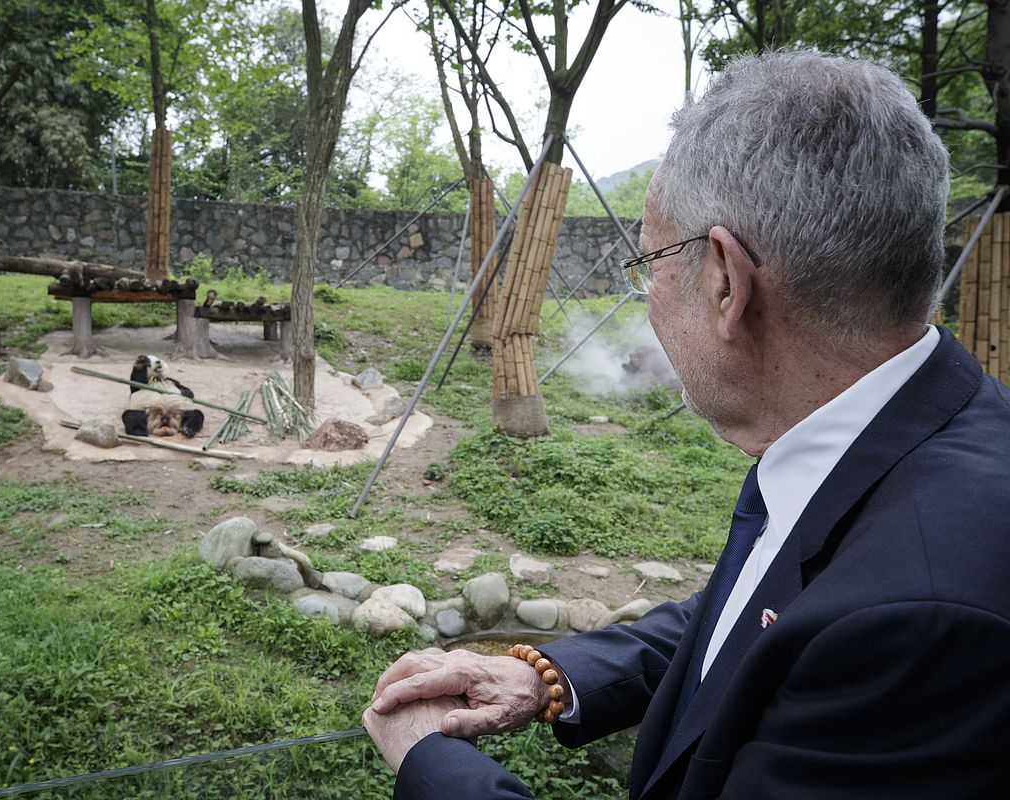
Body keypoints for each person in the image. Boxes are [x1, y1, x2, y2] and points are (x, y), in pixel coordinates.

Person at [363, 51, 1010, 799]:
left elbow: (839, 625)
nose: (647, 299)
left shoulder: (921, 627)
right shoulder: (903, 438)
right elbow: (764, 620)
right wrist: (544, 675)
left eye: (655, 261)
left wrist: (429, 762)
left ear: (726, 281)